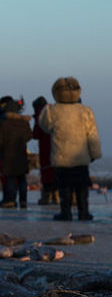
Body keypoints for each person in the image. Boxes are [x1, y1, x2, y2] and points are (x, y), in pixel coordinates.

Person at [40, 77, 102, 221]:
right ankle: (84, 212)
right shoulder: (85, 111)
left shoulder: (53, 111)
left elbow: (45, 126)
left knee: (64, 187)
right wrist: (94, 153)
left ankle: (66, 213)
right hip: (81, 156)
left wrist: (46, 109)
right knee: (82, 188)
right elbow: (92, 135)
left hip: (62, 156)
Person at [0, 99, 32, 209]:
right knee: (22, 179)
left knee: (10, 178)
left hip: (8, 155)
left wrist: (3, 149)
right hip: (21, 155)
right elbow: (29, 136)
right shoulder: (24, 122)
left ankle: (10, 200)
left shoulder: (5, 123)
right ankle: (23, 201)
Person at [32, 96, 58, 205]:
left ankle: (47, 197)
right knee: (56, 172)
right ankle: (57, 196)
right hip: (56, 146)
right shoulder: (55, 111)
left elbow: (35, 134)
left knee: (47, 174)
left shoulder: (40, 115)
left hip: (45, 149)